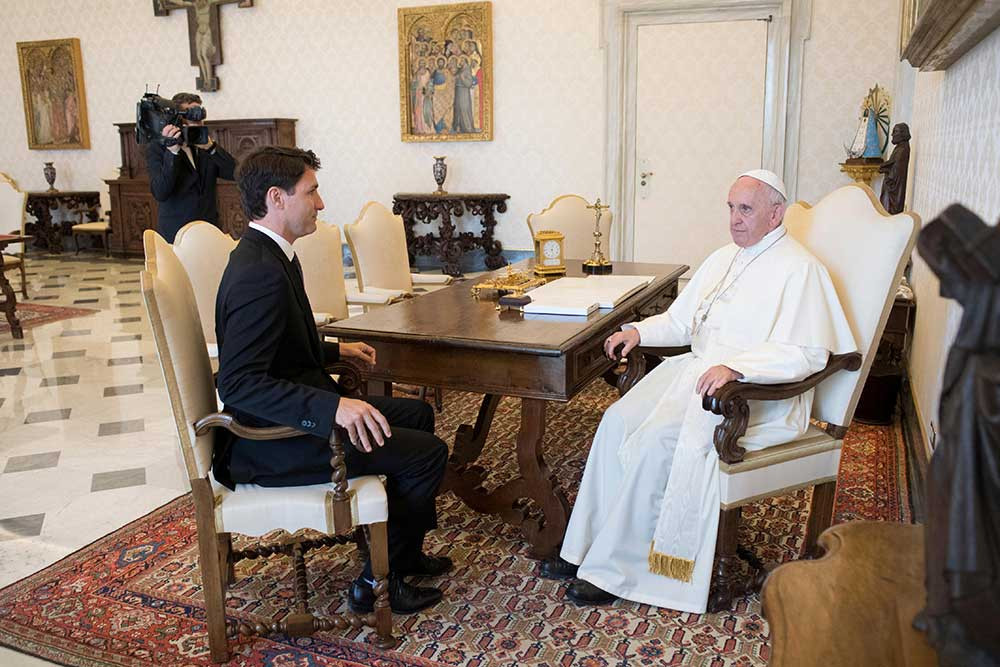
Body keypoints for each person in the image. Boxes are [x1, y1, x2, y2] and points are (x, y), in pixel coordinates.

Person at [541, 170, 857, 612]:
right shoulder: (724, 257)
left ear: (775, 213)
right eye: (730, 207)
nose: (734, 219)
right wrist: (637, 330)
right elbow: (681, 321)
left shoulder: (801, 269)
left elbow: (807, 354)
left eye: (745, 209)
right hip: (696, 374)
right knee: (616, 421)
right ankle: (586, 548)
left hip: (752, 396)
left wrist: (738, 369)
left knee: (656, 441)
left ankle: (619, 569)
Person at [214, 146, 451, 614]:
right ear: (277, 198)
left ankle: (401, 552)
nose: (321, 203)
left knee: (419, 415)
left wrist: (333, 351)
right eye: (312, 191)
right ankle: (375, 581)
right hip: (269, 441)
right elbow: (239, 384)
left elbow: (276, 347)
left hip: (295, 417)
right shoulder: (258, 274)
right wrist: (334, 408)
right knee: (427, 456)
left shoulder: (272, 255)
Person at [146, 92, 235, 243]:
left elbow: (235, 173)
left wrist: (211, 148)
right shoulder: (157, 148)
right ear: (177, 119)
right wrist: (172, 152)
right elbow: (160, 191)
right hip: (177, 235)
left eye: (200, 117)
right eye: (191, 116)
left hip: (209, 230)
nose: (197, 122)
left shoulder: (204, 145)